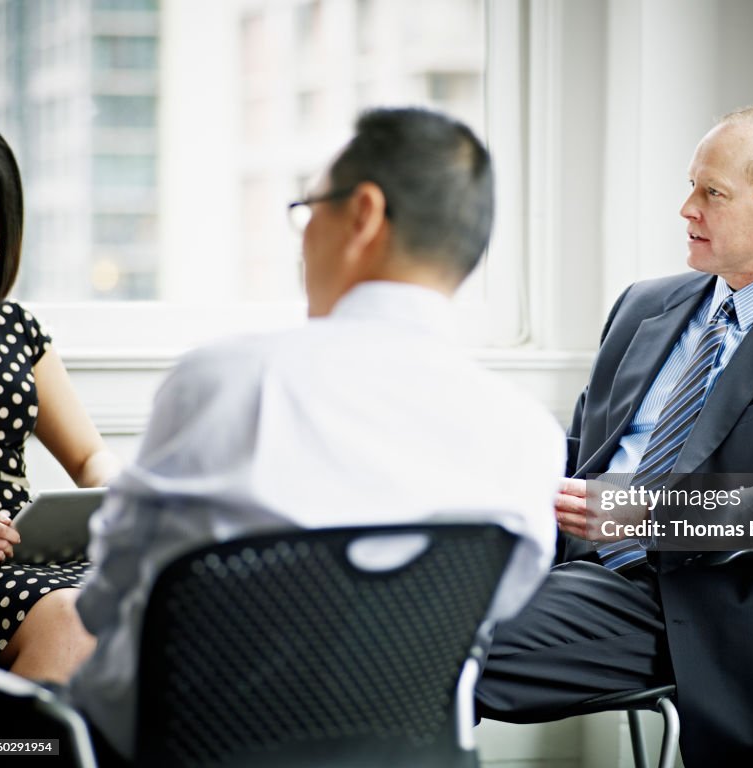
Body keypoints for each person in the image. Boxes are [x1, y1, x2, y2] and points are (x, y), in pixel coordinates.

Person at [62, 107, 566, 763]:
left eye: (308, 210)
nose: (302, 240)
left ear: (363, 214)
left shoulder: (228, 381)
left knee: (6, 742)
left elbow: (102, 603)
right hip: (401, 758)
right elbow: (478, 624)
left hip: (138, 751)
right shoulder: (528, 436)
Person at [475, 104, 753, 767]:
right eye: (691, 186)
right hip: (565, 567)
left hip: (692, 605)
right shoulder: (642, 306)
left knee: (438, 648)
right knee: (381, 610)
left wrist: (644, 513)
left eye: (713, 192)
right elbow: (579, 452)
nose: (687, 208)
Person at [0, 125, 121, 682]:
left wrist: (119, 494)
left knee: (157, 592)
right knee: (69, 614)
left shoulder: (17, 330)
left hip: (23, 555)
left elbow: (88, 458)